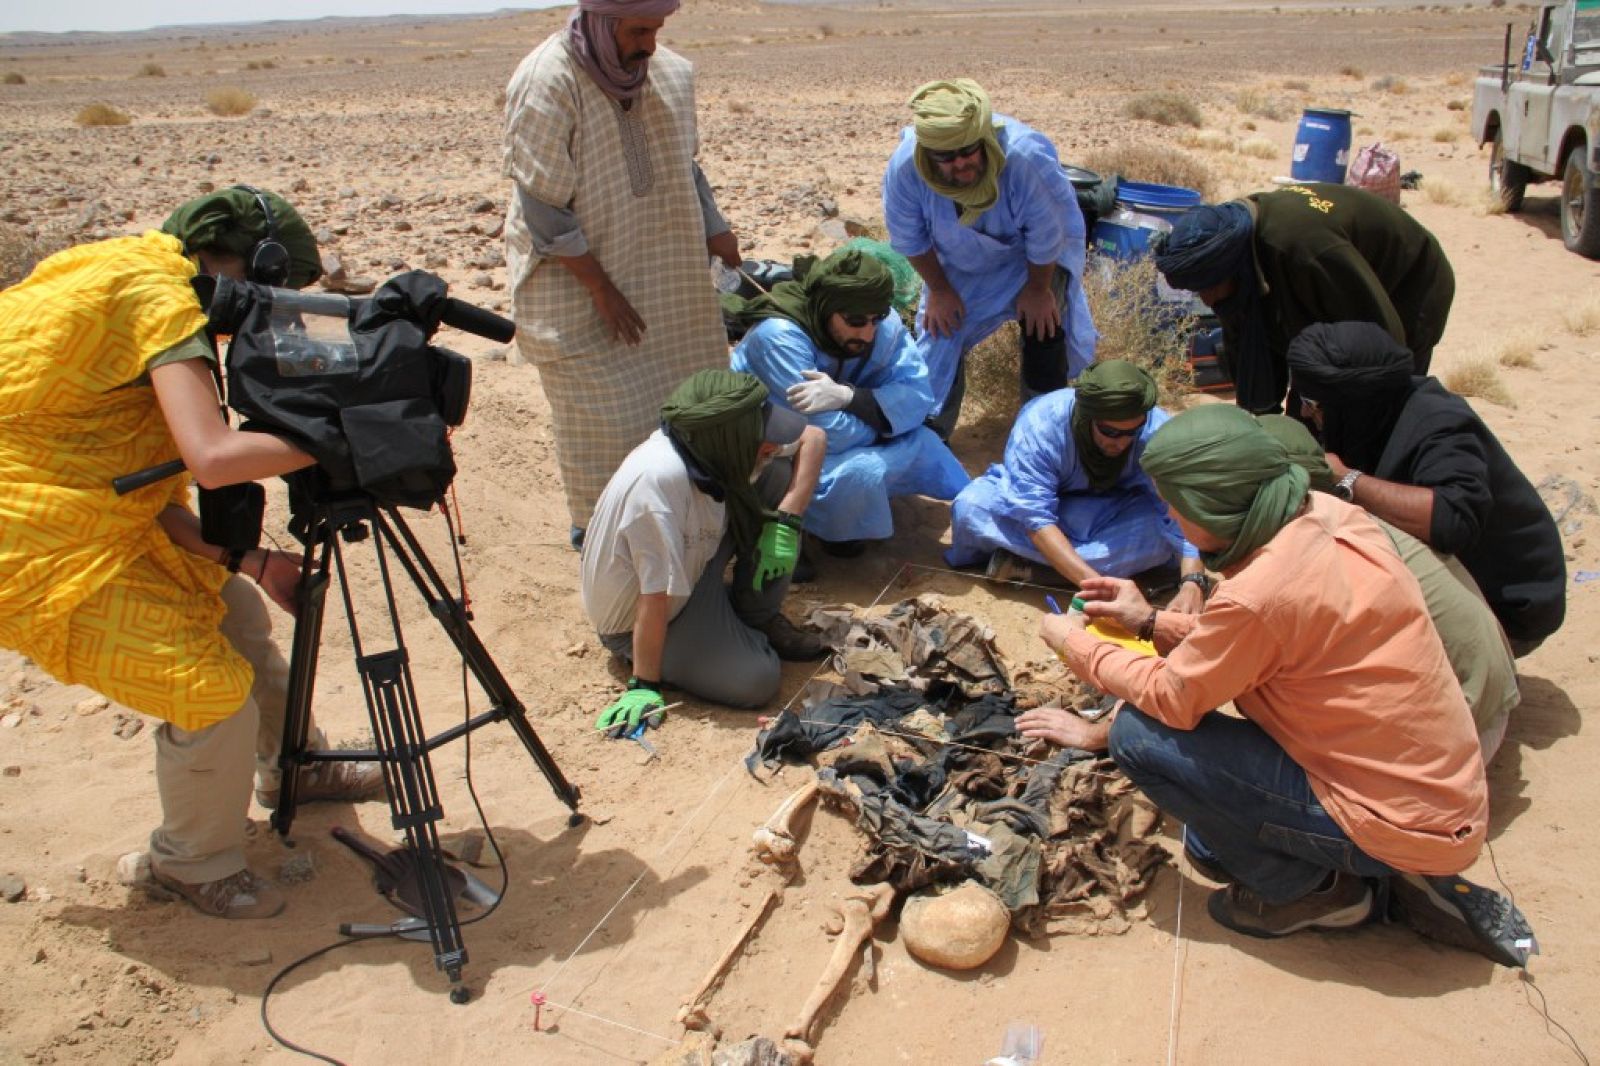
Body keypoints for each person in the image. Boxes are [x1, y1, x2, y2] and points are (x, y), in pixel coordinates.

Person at [1034, 404, 1533, 967]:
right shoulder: (1327, 517)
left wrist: (1074, 643)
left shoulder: (1260, 592)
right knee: (1207, 843)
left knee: (1137, 736)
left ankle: (1322, 894)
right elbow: (1259, 633)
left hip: (1399, 816)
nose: (1172, 519)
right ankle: (1384, 872)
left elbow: (1176, 695)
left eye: (1176, 506)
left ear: (1211, 504)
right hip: (1436, 793)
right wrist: (1147, 620)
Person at [0, 188, 381, 921]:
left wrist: (250, 562)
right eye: (275, 289)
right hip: (36, 546)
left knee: (237, 615)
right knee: (206, 688)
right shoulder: (162, 304)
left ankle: (296, 766)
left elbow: (122, 479)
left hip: (90, 514)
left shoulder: (130, 266)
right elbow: (210, 458)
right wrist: (352, 437)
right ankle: (192, 863)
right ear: (247, 264)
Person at [503, 0, 740, 546]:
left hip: (665, 274)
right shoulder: (547, 80)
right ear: (603, 22)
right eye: (638, 30)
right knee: (606, 424)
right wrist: (601, 289)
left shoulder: (671, 75)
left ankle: (686, 530)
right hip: (578, 288)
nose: (650, 44)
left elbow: (686, 166)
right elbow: (544, 207)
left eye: (657, 29)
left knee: (690, 403)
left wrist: (715, 228)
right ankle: (600, 539)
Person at [1287, 321, 1565, 655]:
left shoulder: (1438, 423)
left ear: (1353, 402)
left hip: (1511, 604)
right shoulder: (1352, 412)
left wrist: (1347, 479)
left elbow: (1452, 518)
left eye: (1312, 403)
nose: (1304, 411)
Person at [1258, 413, 1520, 759]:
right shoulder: (1352, 516)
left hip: (1458, 736)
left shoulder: (1318, 543)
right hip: (1490, 697)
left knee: (1263, 690)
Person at [581, 369, 829, 728]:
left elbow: (814, 438)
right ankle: (704, 639)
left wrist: (787, 520)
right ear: (729, 438)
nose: (771, 443)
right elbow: (655, 596)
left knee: (773, 473)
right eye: (761, 437)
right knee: (757, 679)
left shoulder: (710, 447)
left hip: (693, 565)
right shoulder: (657, 486)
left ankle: (757, 616)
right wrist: (644, 683)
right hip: (648, 616)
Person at [882, 78, 1097, 437]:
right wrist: (939, 289)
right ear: (928, 155)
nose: (961, 164)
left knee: (1043, 327)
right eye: (946, 158)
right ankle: (931, 435)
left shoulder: (1023, 158)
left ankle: (1044, 431)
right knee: (940, 332)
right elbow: (909, 237)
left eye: (969, 151)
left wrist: (1038, 290)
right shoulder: (906, 168)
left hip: (1032, 259)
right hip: (959, 261)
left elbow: (1047, 234)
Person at [727, 247, 970, 558]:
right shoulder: (779, 338)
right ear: (828, 308)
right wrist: (886, 426)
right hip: (779, 449)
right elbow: (825, 434)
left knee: (926, 442)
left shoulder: (884, 326)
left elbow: (919, 396)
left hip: (855, 429)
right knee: (864, 471)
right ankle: (819, 531)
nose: (867, 333)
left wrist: (850, 398)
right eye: (856, 321)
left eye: (875, 320)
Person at [1153, 182, 1454, 413]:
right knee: (1308, 410)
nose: (1206, 300)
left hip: (1408, 284)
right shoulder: (1236, 253)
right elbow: (1245, 347)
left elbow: (1381, 337)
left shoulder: (1304, 252)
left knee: (1372, 404)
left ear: (1232, 269)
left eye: (1209, 287)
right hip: (1323, 279)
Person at [944, 360, 1207, 609]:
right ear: (1088, 416)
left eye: (1131, 432)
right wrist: (1097, 589)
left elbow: (1181, 507)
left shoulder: (1157, 432)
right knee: (970, 508)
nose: (1121, 442)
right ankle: (1068, 568)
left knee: (1163, 535)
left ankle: (1032, 569)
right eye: (1110, 432)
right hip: (1045, 515)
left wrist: (1193, 583)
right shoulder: (1041, 424)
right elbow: (1035, 518)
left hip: (1114, 513)